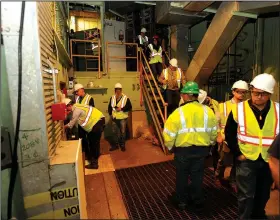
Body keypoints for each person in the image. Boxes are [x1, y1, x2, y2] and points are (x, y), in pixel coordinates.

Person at [225, 73, 279, 219]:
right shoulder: (239, 109)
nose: (258, 97)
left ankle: (258, 215)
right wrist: (237, 154)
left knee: (263, 194)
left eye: (263, 94)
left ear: (270, 94)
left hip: (268, 161)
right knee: (246, 196)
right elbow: (229, 133)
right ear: (252, 91)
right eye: (255, 93)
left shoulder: (278, 110)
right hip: (246, 159)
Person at [163, 82, 217, 211]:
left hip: (182, 151)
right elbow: (214, 132)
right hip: (201, 151)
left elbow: (169, 134)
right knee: (197, 176)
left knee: (181, 176)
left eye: (182, 94)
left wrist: (170, 147)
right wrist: (210, 145)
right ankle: (197, 199)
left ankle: (182, 202)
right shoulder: (208, 111)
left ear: (186, 95)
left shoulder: (178, 112)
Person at [216, 80, 249, 189]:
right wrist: (218, 135)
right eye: (240, 92)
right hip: (226, 138)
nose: (242, 95)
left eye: (244, 92)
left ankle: (232, 180)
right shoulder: (223, 106)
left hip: (240, 139)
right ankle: (218, 175)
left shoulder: (247, 107)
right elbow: (216, 122)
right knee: (223, 160)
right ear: (233, 92)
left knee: (237, 161)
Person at [63, 98, 105, 169]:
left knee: (93, 143)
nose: (67, 110)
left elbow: (70, 124)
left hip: (96, 123)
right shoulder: (77, 105)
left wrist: (63, 127)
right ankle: (94, 156)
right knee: (94, 142)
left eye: (66, 108)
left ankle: (94, 164)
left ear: (69, 105)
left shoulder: (76, 110)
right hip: (99, 120)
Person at [198, 89, 223, 176]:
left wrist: (219, 133)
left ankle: (216, 171)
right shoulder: (198, 106)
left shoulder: (214, 103)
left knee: (216, 152)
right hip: (204, 133)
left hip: (214, 131)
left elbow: (217, 118)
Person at [108, 83, 132, 152]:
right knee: (115, 132)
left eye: (119, 90)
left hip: (122, 118)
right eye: (116, 90)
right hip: (114, 118)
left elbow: (129, 107)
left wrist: (121, 109)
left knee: (123, 132)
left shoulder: (125, 98)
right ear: (115, 90)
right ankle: (116, 145)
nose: (118, 91)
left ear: (121, 90)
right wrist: (110, 115)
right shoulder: (112, 97)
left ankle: (122, 145)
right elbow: (110, 107)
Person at [74, 83, 95, 160]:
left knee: (89, 139)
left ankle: (90, 156)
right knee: (82, 138)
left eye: (77, 91)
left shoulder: (89, 98)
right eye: (76, 92)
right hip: (80, 123)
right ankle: (84, 154)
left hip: (87, 123)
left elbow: (92, 110)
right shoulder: (77, 99)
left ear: (82, 90)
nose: (76, 93)